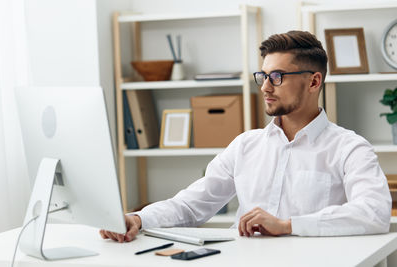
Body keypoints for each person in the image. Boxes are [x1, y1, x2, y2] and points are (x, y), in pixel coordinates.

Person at [100, 30, 391, 243]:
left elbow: (373, 213)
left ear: (314, 81)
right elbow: (190, 205)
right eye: (262, 76)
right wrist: (139, 219)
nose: (265, 87)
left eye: (277, 76)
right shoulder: (245, 146)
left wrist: (287, 225)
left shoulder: (349, 148)